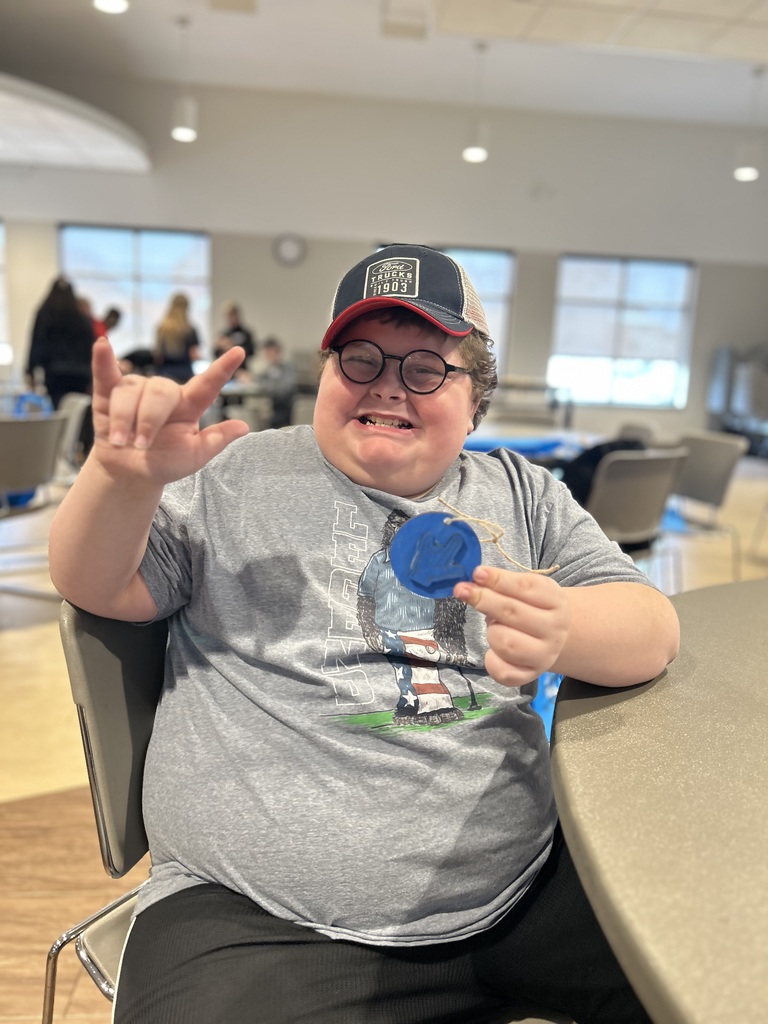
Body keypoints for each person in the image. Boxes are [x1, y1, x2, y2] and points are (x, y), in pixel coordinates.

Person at [49, 244, 679, 1024]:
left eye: (426, 368)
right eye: (361, 358)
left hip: (519, 891)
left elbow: (652, 628)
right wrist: (120, 480)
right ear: (326, 374)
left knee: (716, 971)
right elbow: (100, 586)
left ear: (475, 402)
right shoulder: (236, 477)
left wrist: (568, 627)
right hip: (255, 921)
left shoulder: (524, 495)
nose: (387, 383)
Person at [26, 275, 95, 408]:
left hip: (55, 375)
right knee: (78, 410)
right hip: (80, 375)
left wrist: (30, 371)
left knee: (59, 409)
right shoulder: (82, 320)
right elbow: (90, 349)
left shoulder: (45, 316)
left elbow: (36, 344)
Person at [153, 292, 202, 383]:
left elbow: (158, 356)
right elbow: (194, 355)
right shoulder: (189, 329)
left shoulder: (162, 329)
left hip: (165, 374)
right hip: (185, 374)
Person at [252, 335, 297, 428]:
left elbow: (283, 389)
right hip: (271, 408)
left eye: (270, 352)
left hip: (284, 409)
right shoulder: (269, 370)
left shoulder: (288, 368)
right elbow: (260, 380)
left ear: (277, 352)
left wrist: (265, 385)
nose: (267, 355)